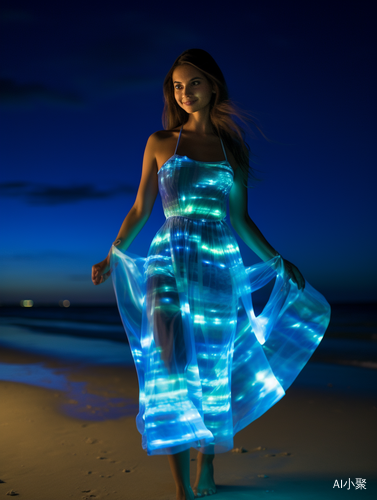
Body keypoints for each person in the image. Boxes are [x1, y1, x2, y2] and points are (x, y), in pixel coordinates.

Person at [91, 48, 331, 500]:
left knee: (212, 367)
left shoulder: (231, 150)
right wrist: (113, 253)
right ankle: (182, 486)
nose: (185, 93)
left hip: (218, 263)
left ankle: (207, 468)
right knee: (170, 362)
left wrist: (277, 259)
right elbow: (141, 207)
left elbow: (240, 220)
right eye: (177, 86)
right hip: (168, 259)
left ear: (213, 85)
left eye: (194, 83)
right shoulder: (160, 142)